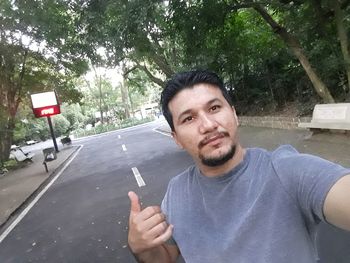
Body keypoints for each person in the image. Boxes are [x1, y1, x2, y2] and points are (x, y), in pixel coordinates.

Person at [127, 70, 350, 262]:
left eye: (214, 108)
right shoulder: (176, 193)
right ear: (176, 138)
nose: (208, 125)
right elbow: (165, 257)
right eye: (189, 119)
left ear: (233, 114)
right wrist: (141, 246)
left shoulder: (285, 171)